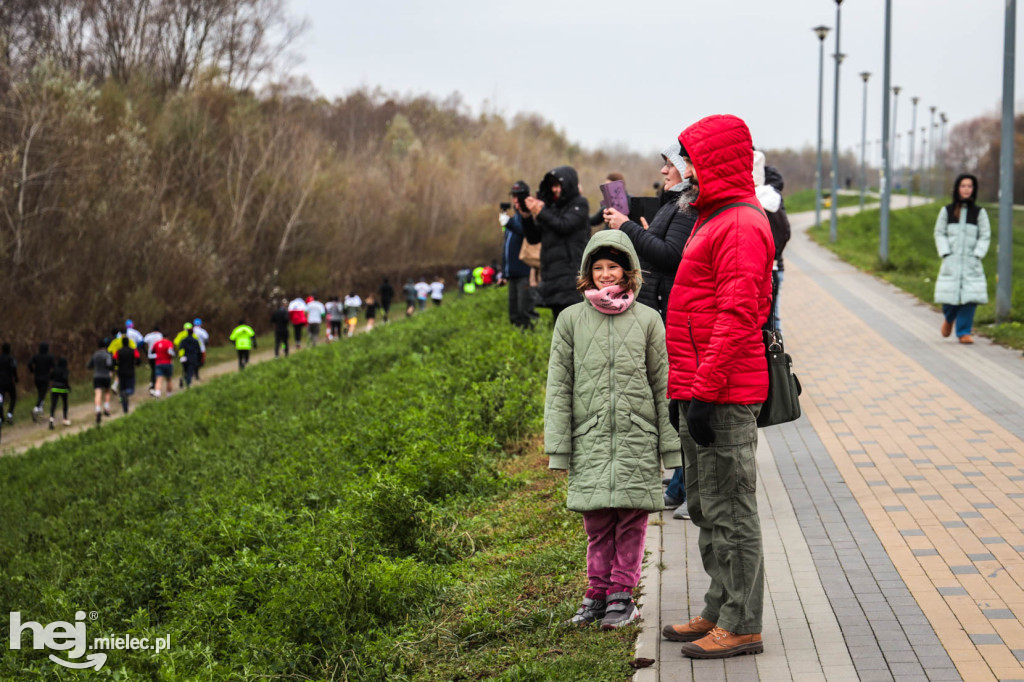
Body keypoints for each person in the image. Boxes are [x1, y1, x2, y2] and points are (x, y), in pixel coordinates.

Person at [661, 115, 773, 659]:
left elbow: (736, 316)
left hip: (723, 392)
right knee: (706, 505)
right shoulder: (712, 217)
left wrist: (703, 391)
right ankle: (718, 606)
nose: (681, 171)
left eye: (687, 160)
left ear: (713, 163)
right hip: (700, 386)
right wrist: (682, 390)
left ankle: (743, 622)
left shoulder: (741, 225)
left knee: (732, 507)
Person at [545, 230, 680, 630]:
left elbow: (663, 384)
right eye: (598, 268)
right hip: (590, 436)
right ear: (588, 273)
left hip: (638, 436)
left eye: (613, 267)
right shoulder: (570, 320)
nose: (606, 275)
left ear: (628, 271)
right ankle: (596, 594)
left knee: (632, 520)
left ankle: (623, 595)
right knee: (597, 522)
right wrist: (559, 446)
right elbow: (559, 385)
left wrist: (671, 450)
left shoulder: (649, 319)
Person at [603, 140, 697, 520]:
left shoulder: (687, 205)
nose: (663, 171)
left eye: (669, 165)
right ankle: (679, 486)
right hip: (662, 306)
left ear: (687, 168)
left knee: (680, 405)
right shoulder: (677, 202)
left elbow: (670, 256)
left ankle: (688, 488)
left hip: (671, 309)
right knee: (673, 402)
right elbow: (661, 246)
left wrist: (626, 227)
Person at [522, 165, 590, 322]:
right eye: (552, 186)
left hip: (571, 274)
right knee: (559, 327)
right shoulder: (551, 208)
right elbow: (534, 237)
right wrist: (526, 216)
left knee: (574, 326)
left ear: (568, 184)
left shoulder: (579, 204)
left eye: (558, 185)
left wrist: (541, 211)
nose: (554, 190)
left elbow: (564, 225)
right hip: (552, 275)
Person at [934, 173, 990, 345]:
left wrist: (978, 254)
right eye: (963, 186)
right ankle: (949, 319)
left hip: (971, 261)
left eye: (970, 186)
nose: (966, 189)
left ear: (973, 190)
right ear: (958, 188)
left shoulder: (979, 212)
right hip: (952, 260)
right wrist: (945, 252)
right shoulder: (947, 211)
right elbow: (939, 233)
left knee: (970, 298)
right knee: (948, 296)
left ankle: (964, 332)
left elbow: (985, 235)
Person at [761, 159, 791, 333]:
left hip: (768, 267)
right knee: (774, 317)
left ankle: (776, 357)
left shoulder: (760, 199)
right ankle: (778, 356)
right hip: (776, 265)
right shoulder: (776, 201)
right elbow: (785, 233)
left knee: (770, 320)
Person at [503, 184, 538, 329]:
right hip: (512, 273)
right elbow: (506, 248)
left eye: (518, 196)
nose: (515, 200)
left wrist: (510, 224)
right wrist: (504, 273)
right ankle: (518, 341)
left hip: (525, 270)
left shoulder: (530, 215)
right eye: (513, 196)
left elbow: (530, 235)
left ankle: (532, 340)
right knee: (514, 312)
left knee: (525, 310)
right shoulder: (514, 218)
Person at [87, 338, 114, 424]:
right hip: (106, 376)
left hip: (97, 376)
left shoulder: (95, 355)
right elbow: (110, 365)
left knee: (98, 393)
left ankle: (98, 410)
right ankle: (106, 408)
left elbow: (89, 365)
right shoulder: (107, 355)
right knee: (107, 392)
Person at [28, 342, 56, 422]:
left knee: (40, 393)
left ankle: (40, 409)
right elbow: (54, 367)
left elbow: (29, 364)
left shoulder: (36, 356)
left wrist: (32, 370)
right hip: (45, 378)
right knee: (42, 394)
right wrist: (52, 375)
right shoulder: (49, 357)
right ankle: (36, 409)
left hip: (37, 378)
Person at [114, 336, 140, 414]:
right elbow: (138, 360)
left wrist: (117, 365)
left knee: (122, 390)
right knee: (131, 389)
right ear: (128, 342)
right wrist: (135, 363)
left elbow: (114, 360)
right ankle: (127, 393)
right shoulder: (133, 351)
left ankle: (125, 409)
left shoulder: (118, 351)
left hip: (121, 372)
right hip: (130, 372)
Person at [48, 357, 70, 429]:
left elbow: (50, 377)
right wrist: (68, 387)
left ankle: (51, 420)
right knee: (65, 404)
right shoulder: (65, 370)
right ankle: (65, 419)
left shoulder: (55, 370)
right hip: (63, 389)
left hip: (54, 388)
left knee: (53, 405)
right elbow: (65, 379)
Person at [0, 342, 18, 423]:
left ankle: (1, 417)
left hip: (0, 383)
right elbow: (14, 368)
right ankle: (10, 414)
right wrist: (16, 378)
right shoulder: (11, 358)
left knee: (1, 400)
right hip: (9, 382)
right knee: (13, 397)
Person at [143, 325, 164, 392]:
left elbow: (142, 343)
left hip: (150, 356)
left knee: (153, 370)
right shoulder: (161, 335)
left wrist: (146, 352)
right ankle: (153, 385)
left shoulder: (149, 336)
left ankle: (152, 383)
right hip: (158, 356)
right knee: (156, 371)